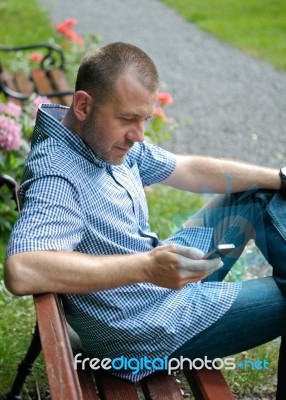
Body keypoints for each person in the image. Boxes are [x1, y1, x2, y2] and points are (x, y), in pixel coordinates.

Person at [4, 42, 286, 386]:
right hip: (145, 331)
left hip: (163, 283)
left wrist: (281, 178)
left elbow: (190, 170)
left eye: (145, 120)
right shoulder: (58, 175)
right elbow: (21, 270)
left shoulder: (104, 141)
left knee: (257, 191)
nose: (138, 136)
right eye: (127, 119)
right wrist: (147, 267)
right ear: (82, 105)